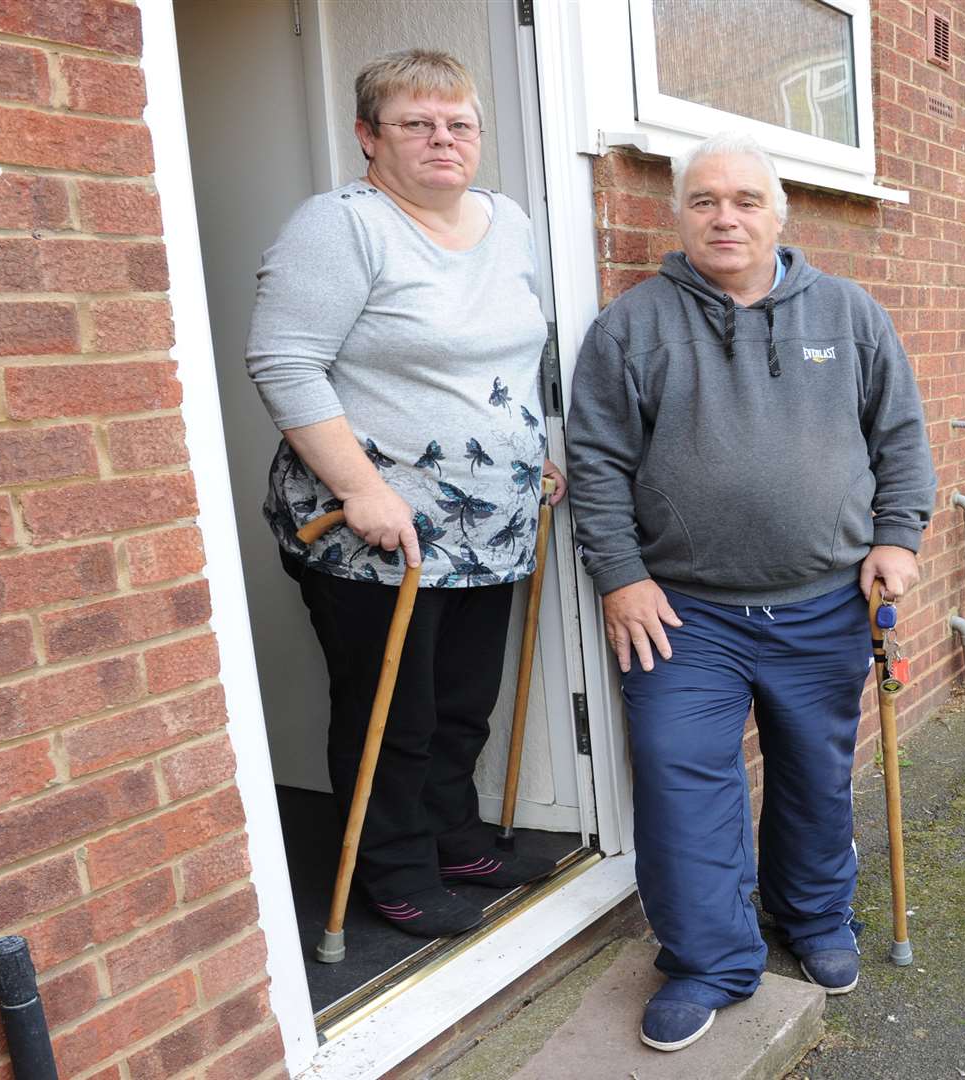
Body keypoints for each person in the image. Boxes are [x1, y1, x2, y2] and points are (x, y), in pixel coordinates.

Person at [566, 131, 936, 1052]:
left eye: (744, 200)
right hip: (684, 617)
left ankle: (811, 921)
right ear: (679, 215)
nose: (724, 216)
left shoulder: (849, 314)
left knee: (815, 776)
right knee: (679, 775)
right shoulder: (631, 327)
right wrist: (621, 574)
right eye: (703, 201)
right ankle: (708, 961)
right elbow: (598, 463)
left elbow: (900, 437)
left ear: (780, 213)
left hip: (822, 606)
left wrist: (897, 538)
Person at [246, 49, 567, 940]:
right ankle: (393, 867)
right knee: (395, 712)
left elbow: (526, 351)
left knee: (463, 698)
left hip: (493, 523)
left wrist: (543, 444)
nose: (442, 140)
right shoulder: (342, 226)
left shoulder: (511, 223)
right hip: (373, 530)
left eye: (459, 124)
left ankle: (453, 836)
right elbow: (282, 359)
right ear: (367, 137)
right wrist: (360, 488)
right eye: (416, 124)